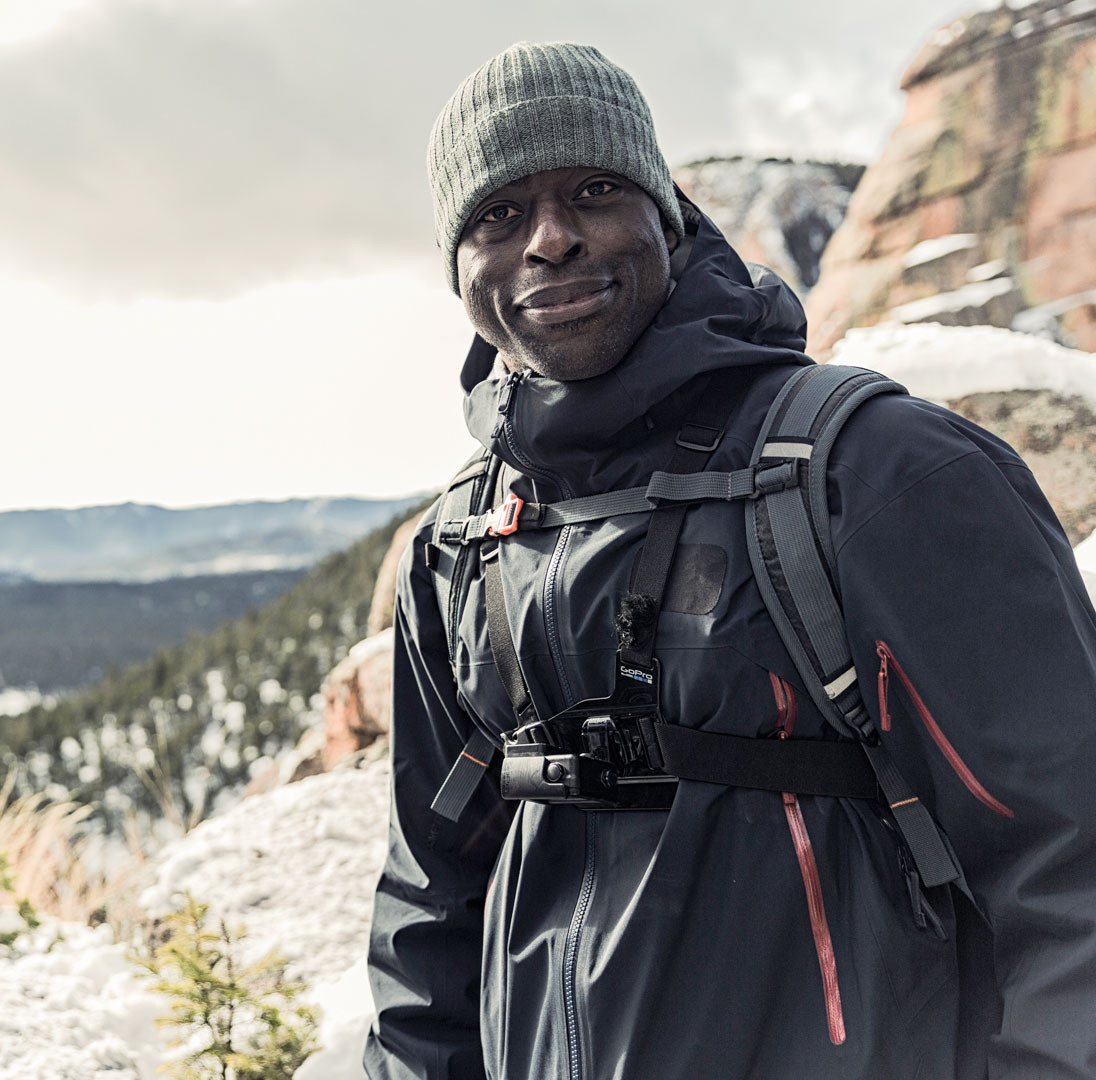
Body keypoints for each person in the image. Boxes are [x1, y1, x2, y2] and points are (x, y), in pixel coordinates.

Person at [364, 40, 1096, 1080]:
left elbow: (1072, 864)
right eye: (499, 215)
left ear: (668, 216)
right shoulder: (463, 547)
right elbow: (428, 902)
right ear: (459, 266)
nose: (552, 240)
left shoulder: (878, 475)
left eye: (596, 189)